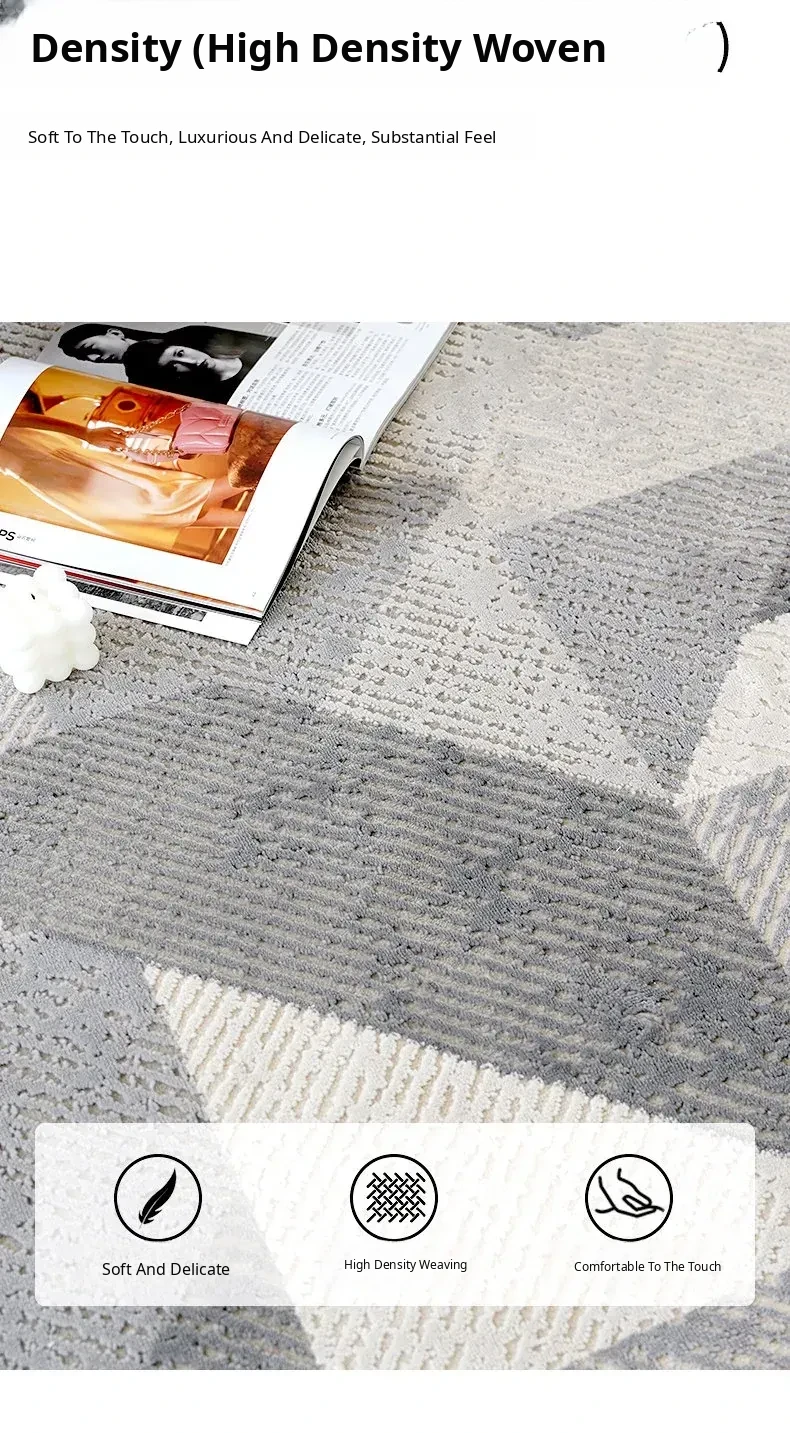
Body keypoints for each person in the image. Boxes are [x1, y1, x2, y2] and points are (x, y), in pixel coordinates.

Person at [58, 323, 276, 402]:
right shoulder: (141, 385)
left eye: (90, 349)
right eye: (84, 358)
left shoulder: (191, 334)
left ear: (114, 333)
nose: (94, 359)